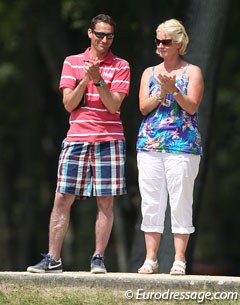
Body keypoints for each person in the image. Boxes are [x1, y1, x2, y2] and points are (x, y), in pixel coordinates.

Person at [27, 14, 130, 274]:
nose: (104, 40)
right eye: (100, 34)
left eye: (109, 36)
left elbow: (113, 105)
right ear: (89, 33)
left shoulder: (121, 65)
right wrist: (86, 78)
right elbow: (69, 104)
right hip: (76, 137)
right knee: (62, 198)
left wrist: (98, 80)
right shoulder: (72, 62)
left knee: (105, 201)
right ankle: (53, 258)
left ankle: (98, 258)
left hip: (110, 139)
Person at [136, 19, 204, 275]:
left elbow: (192, 106)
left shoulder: (193, 72)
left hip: (183, 147)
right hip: (150, 145)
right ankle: (150, 259)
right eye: (157, 41)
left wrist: (174, 89)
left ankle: (179, 259)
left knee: (180, 202)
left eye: (165, 41)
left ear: (179, 43)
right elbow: (142, 108)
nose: (160, 46)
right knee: (151, 202)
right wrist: (160, 93)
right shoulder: (148, 72)